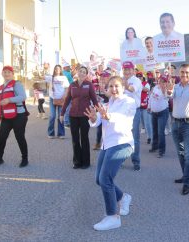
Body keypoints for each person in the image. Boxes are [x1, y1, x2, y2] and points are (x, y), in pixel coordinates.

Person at [84, 76, 136, 231]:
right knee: (100, 180)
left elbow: (124, 119)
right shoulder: (108, 104)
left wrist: (109, 116)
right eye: (111, 86)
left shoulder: (129, 102)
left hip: (122, 144)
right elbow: (98, 120)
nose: (114, 89)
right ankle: (122, 197)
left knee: (105, 178)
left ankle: (113, 217)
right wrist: (94, 118)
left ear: (123, 87)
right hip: (108, 145)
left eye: (117, 86)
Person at [167, 64, 189, 195]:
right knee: (180, 152)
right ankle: (186, 175)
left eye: (187, 73)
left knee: (188, 154)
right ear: (178, 73)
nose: (184, 75)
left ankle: (186, 182)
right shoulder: (175, 86)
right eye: (182, 72)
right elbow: (169, 95)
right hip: (175, 123)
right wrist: (169, 91)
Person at [60, 66, 98, 169]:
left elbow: (94, 100)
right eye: (80, 71)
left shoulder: (89, 85)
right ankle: (77, 161)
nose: (81, 73)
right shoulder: (72, 85)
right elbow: (67, 100)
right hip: (73, 115)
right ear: (77, 72)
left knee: (84, 138)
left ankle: (86, 162)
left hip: (85, 115)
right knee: (75, 139)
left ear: (86, 75)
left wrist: (99, 113)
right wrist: (62, 114)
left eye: (84, 72)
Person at [0, 66, 28, 167]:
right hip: (6, 117)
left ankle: (25, 159)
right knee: (1, 137)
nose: (6, 74)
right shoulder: (0, 88)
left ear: (12, 74)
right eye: (4, 72)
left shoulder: (17, 84)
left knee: (19, 137)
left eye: (8, 72)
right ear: (2, 74)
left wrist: (9, 100)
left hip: (19, 115)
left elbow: (23, 97)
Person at [122, 61, 143, 171]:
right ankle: (120, 159)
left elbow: (132, 89)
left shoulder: (137, 80)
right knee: (121, 137)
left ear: (133, 70)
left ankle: (136, 161)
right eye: (125, 69)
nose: (127, 71)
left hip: (134, 111)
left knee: (135, 138)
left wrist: (124, 84)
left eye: (129, 69)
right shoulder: (120, 79)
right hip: (122, 112)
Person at [45, 65, 69, 138]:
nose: (57, 70)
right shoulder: (51, 77)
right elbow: (41, 77)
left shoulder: (64, 78)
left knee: (60, 116)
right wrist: (44, 69)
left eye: (58, 69)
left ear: (60, 70)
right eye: (56, 69)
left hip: (61, 99)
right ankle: (51, 133)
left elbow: (67, 88)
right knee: (52, 116)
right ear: (54, 70)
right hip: (53, 98)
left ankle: (61, 134)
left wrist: (64, 96)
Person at [148, 74, 169, 158]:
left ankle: (161, 151)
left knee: (161, 132)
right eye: (160, 81)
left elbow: (166, 96)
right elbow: (151, 98)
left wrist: (164, 89)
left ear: (166, 83)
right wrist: (149, 106)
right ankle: (155, 146)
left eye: (163, 81)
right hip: (154, 113)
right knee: (155, 131)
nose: (161, 82)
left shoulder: (167, 89)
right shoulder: (155, 87)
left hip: (162, 113)